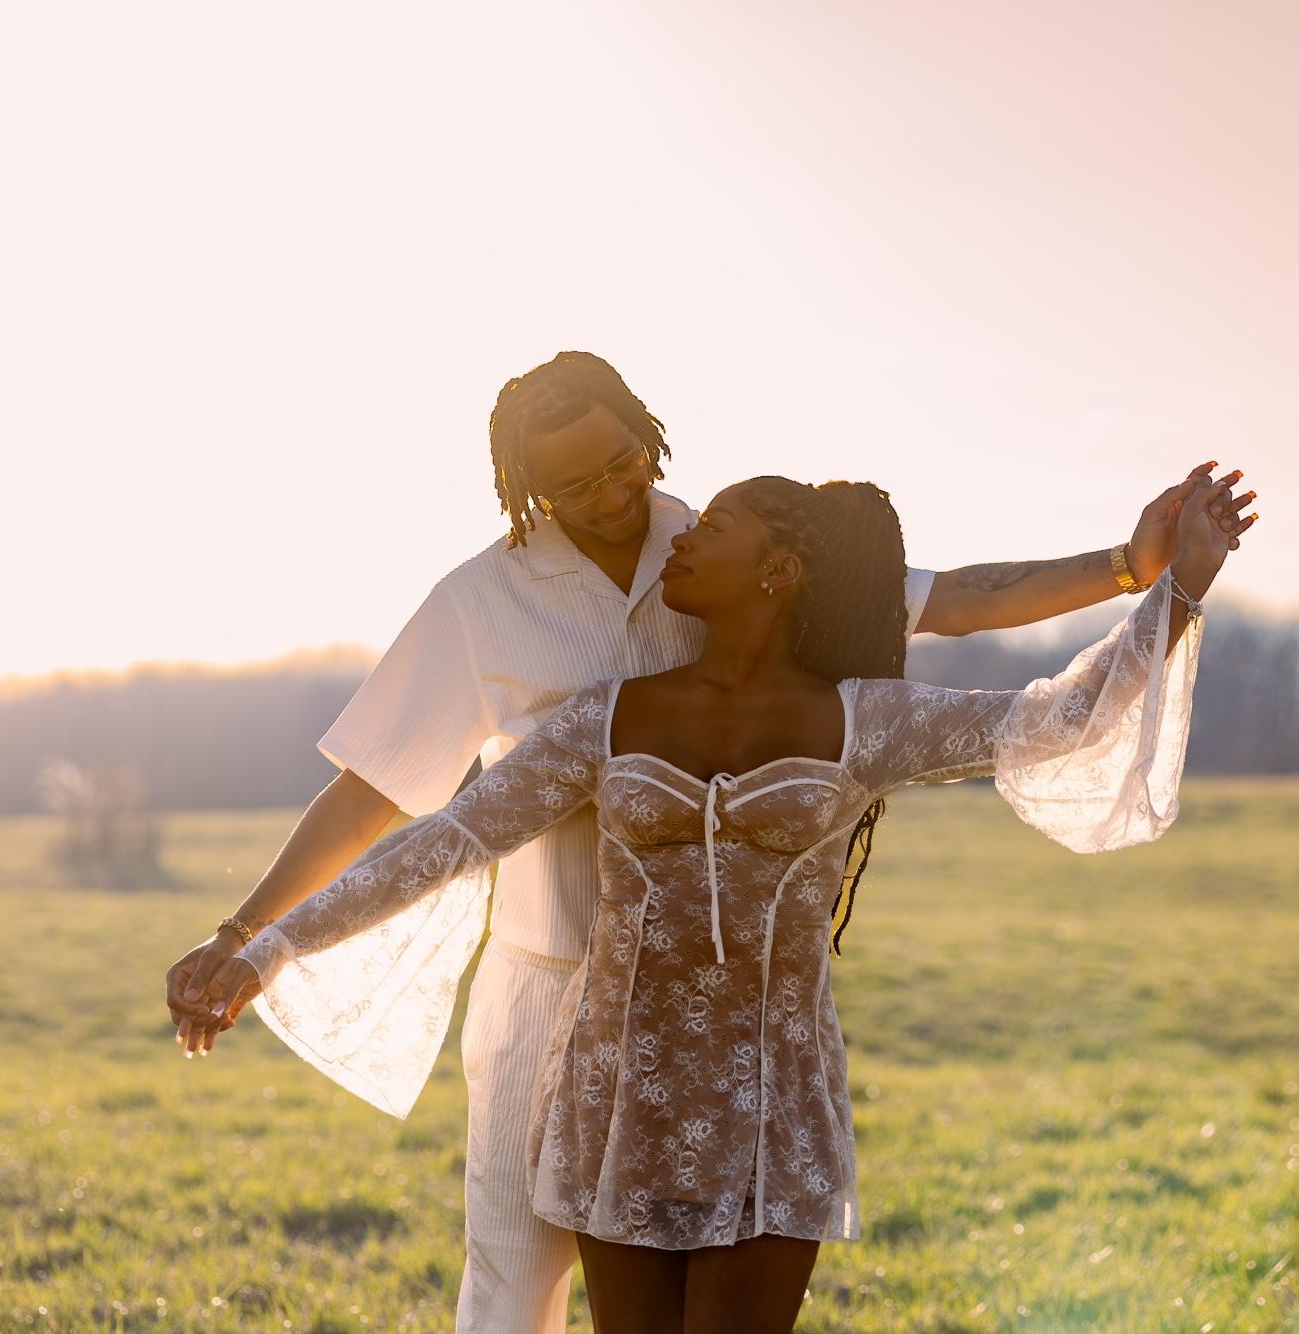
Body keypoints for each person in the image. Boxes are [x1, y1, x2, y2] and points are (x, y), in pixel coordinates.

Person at [166, 352, 1254, 1334]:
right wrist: (252, 938)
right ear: (529, 490)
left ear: (649, 437)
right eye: (573, 485)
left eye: (621, 463)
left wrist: (1140, 567)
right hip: (563, 998)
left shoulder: (734, 550)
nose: (614, 498)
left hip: (764, 1048)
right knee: (509, 1285)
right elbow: (407, 815)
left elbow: (966, 618)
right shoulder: (496, 615)